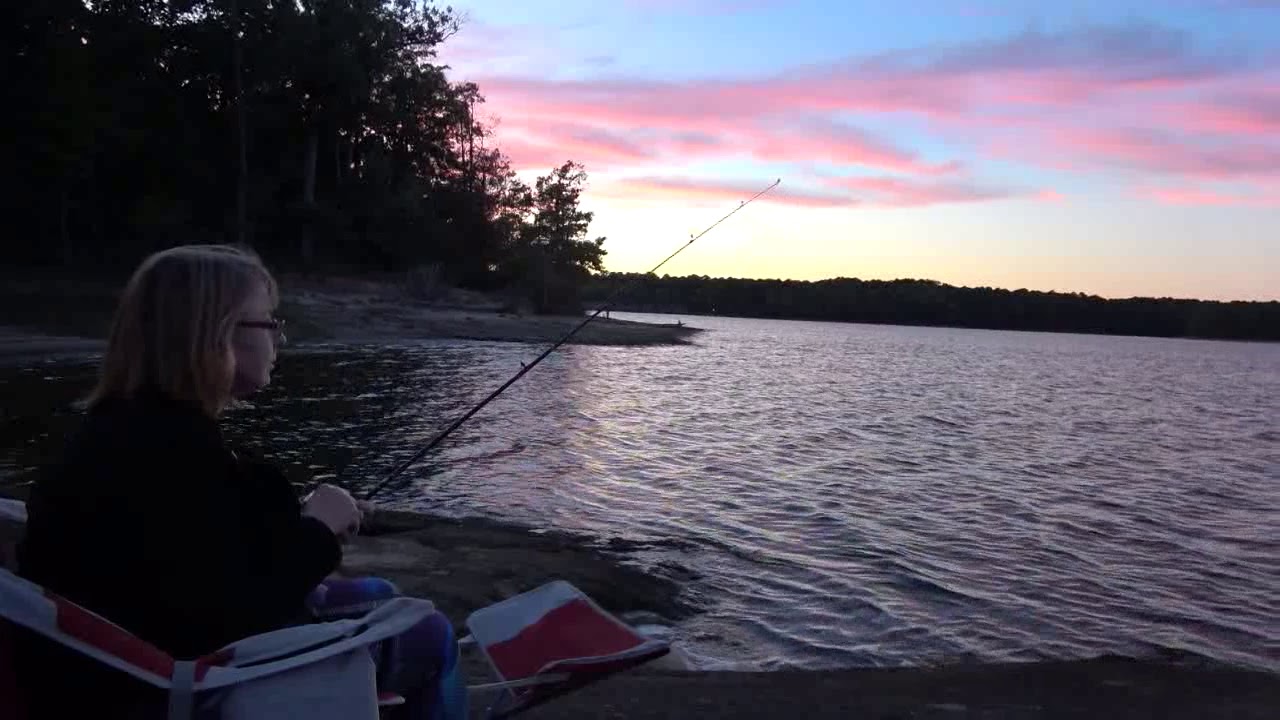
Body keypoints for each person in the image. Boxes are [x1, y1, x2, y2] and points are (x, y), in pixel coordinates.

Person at [16, 244, 463, 719]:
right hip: (184, 685)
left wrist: (302, 517)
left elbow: (195, 552)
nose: (280, 340)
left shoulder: (127, 432)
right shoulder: (168, 454)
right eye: (269, 323)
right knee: (431, 634)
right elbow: (234, 610)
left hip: (119, 664)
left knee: (380, 595)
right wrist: (315, 533)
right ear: (215, 333)